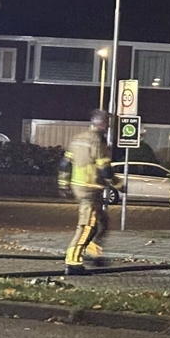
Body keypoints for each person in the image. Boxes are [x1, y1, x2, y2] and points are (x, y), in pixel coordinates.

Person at [58, 109, 114, 276]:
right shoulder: (98, 141)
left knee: (102, 222)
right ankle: (73, 262)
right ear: (103, 123)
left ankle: (93, 251)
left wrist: (63, 184)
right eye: (108, 123)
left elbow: (65, 164)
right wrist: (118, 184)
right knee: (87, 226)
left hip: (78, 186)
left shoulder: (78, 138)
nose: (109, 126)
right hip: (90, 188)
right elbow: (104, 168)